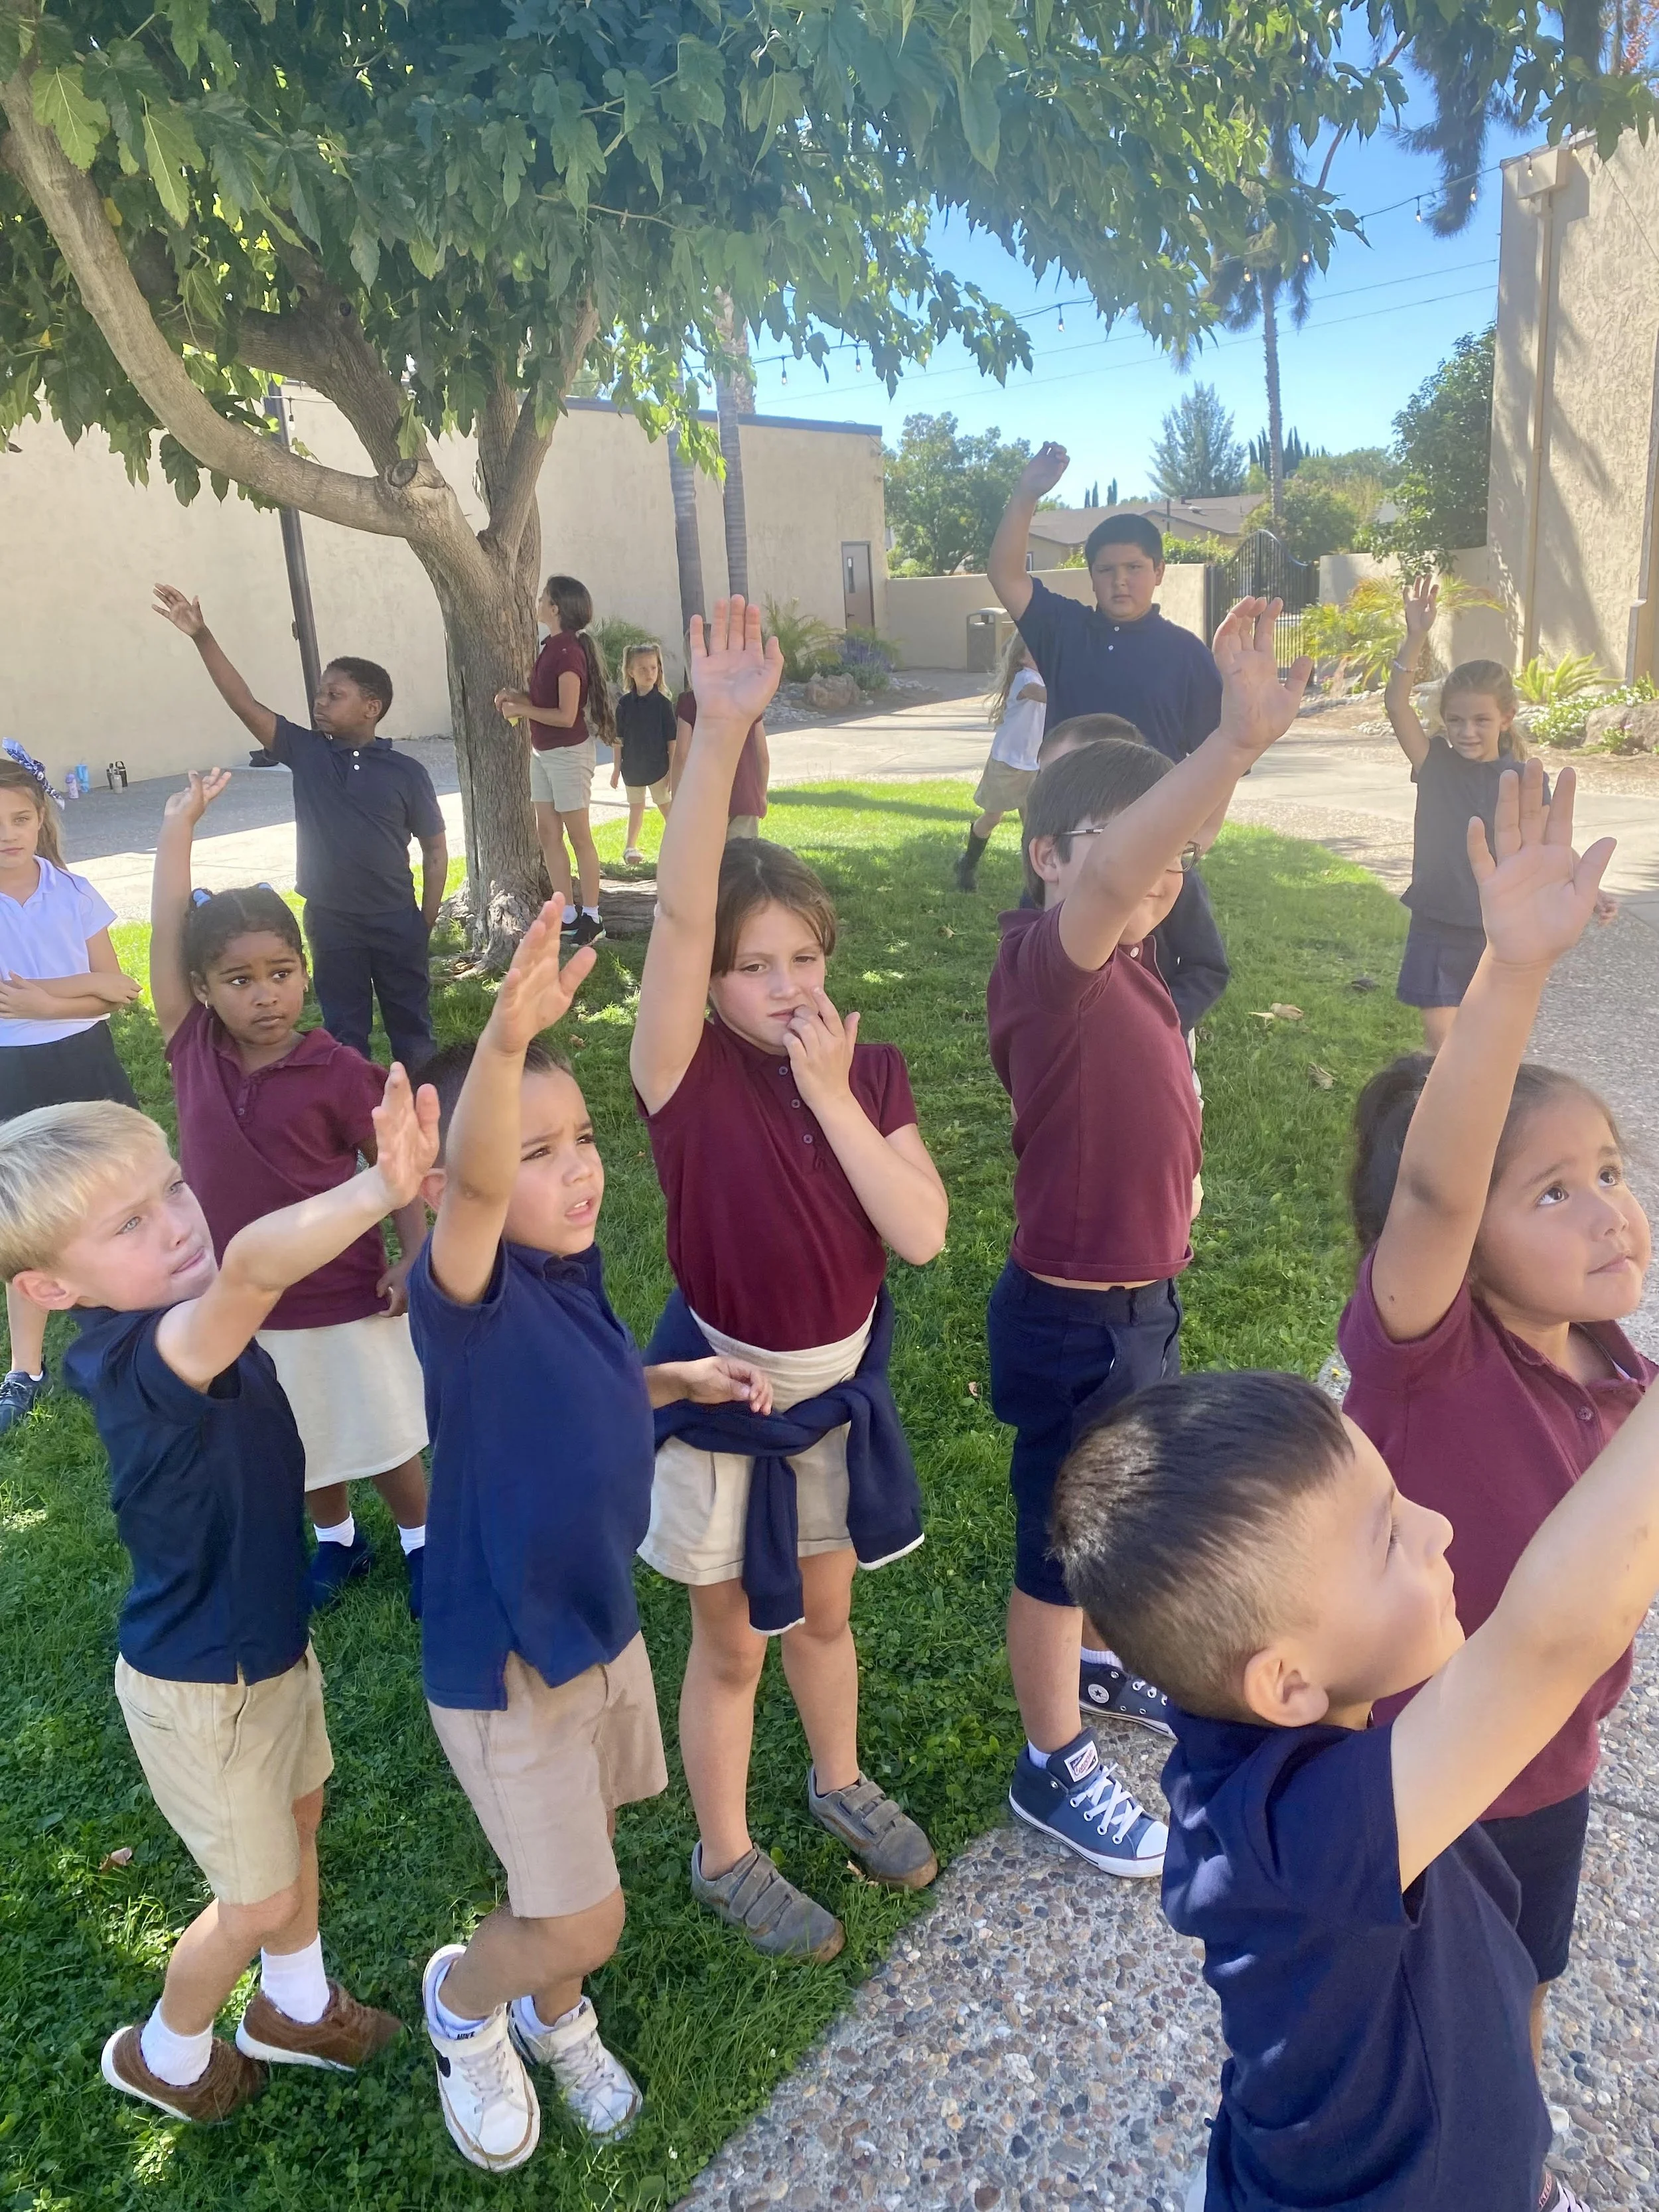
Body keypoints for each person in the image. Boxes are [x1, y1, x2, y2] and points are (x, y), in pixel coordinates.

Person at [406, 897, 769, 2172]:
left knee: (582, 1853)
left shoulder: (564, 1275)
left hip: (594, 1628)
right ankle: (467, 2001)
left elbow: (593, 1391)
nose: (577, 1169)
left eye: (585, 1139)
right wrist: (501, 1047)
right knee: (586, 1911)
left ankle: (555, 2011)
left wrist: (675, 1386)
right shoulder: (467, 1297)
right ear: (455, 1186)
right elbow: (483, 1182)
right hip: (509, 1665)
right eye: (536, 1150)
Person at [0, 1076, 436, 2121]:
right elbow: (249, 1271)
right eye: (132, 1223)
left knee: (301, 1814)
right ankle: (167, 2053)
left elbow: (235, 1279)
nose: (177, 1225)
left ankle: (291, 2006)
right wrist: (384, 1186)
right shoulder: (147, 1354)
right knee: (256, 1897)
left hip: (266, 1648)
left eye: (175, 1189)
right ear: (54, 1289)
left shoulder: (181, 1323)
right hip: (206, 1685)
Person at [632, 598, 949, 1962]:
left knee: (824, 1614)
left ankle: (836, 1776)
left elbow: (921, 1233)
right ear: (702, 985)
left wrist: (830, 1096)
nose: (777, 986)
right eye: (747, 967)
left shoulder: (861, 1070)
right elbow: (685, 901)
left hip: (836, 1396)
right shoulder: (679, 1072)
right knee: (732, 1643)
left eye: (802, 961)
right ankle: (725, 1849)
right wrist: (716, 735)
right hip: (725, 1395)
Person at [988, 602, 1309, 1878]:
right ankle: (1050, 1759)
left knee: (1116, 1519)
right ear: (1046, 857)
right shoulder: (1050, 965)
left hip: (1141, 1308)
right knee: (1055, 1544)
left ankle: (1105, 1664)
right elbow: (1126, 864)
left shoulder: (1131, 964)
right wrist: (1226, 743)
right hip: (1076, 1321)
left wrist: (1231, 762)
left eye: (1173, 862)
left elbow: (1153, 865)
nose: (1153, 874)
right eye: (1119, 854)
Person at [1339, 759, 1646, 2075]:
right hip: (1422, 1768)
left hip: (1554, 1760)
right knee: (1410, 2011)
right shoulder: (1424, 1348)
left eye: (1609, 1172)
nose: (1605, 1210)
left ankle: (1509, 2157)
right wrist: (1510, 971)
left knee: (1525, 1978)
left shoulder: (1614, 1368)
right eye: (1550, 1194)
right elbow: (1429, 1199)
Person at [149, 770, 431, 1614]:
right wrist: (177, 830)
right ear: (202, 990)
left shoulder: (337, 1069)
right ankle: (337, 1542)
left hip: (339, 1293)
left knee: (375, 1431)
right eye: (239, 980)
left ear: (303, 975)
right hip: (235, 1296)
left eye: (281, 973)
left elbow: (398, 1163)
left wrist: (413, 1254)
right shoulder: (190, 1044)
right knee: (291, 1433)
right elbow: (168, 934)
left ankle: (425, 1540)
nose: (264, 994)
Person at [153, 585, 447, 1071]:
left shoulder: (405, 772)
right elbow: (243, 703)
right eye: (320, 692)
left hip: (396, 918)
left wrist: (424, 920)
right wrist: (202, 635)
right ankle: (356, 1127)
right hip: (332, 921)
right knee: (345, 1032)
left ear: (371, 707)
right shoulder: (308, 752)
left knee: (412, 1030)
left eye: (336, 694)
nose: (321, 701)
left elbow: (436, 850)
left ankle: (429, 1121)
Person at [1384, 575, 1599, 1050]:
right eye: (1455, 720)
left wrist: (1588, 881)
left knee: (1493, 1039)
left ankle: (1490, 1115)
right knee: (1443, 1041)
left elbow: (1550, 844)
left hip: (1498, 927)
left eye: (1481, 720)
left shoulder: (1525, 777)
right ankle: (1445, 1116)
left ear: (1507, 717)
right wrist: (1416, 635)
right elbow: (1396, 706)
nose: (1466, 731)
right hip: (1437, 920)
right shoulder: (1433, 762)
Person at [0, 743, 141, 1438]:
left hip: (87, 1062)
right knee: (23, 1219)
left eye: (21, 818)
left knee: (113, 1196)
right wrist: (79, 991)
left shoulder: (74, 892)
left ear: (40, 818)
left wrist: (42, 1003)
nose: (9, 833)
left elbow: (121, 990)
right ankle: (25, 1367)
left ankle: (133, 1323)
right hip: (14, 1075)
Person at [987, 447, 1223, 762]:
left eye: (1134, 568)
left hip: (1156, 810)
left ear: (1159, 572)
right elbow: (1005, 575)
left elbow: (1216, 760)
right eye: (1106, 569)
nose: (1120, 580)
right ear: (1092, 576)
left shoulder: (1188, 654)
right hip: (1067, 807)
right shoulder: (1062, 630)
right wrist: (1026, 494)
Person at [1035, 714, 1231, 1041]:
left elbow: (1207, 967)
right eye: (1046, 778)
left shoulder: (1173, 876)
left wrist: (1164, 1024)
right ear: (1047, 857)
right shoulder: (1038, 915)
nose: (1052, 794)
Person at [494, 575, 615, 947]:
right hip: (543, 753)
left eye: (544, 597)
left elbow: (566, 715)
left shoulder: (567, 652)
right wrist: (518, 696)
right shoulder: (552, 646)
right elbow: (545, 701)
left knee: (579, 837)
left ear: (556, 608)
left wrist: (523, 707)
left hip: (567, 754)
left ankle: (592, 918)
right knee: (548, 833)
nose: (539, 601)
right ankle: (565, 914)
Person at [954, 634, 1046, 891]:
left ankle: (1034, 881)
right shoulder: (1025, 680)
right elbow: (1043, 695)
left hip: (1033, 765)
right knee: (993, 817)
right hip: (1007, 764)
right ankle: (967, 863)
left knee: (1033, 824)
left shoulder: (1041, 678)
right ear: (1021, 658)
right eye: (1034, 650)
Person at [674, 677, 770, 839]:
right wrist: (761, 794)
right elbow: (763, 756)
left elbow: (681, 755)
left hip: (704, 799)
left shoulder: (690, 701)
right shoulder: (749, 698)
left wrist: (677, 801)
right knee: (741, 860)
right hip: (745, 797)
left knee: (707, 861)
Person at [611, 640, 677, 863]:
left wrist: (672, 770)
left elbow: (672, 740)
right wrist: (615, 769)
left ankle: (681, 842)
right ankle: (630, 847)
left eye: (653, 668)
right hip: (632, 768)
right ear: (631, 672)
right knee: (636, 807)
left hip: (659, 767)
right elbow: (618, 739)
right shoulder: (624, 705)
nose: (649, 673)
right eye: (642, 669)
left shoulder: (663, 704)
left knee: (666, 806)